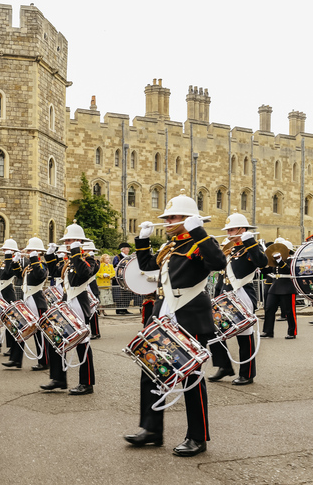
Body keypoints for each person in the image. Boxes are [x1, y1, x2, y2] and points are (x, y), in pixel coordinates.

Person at [124, 191, 226, 457]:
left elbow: (217, 262)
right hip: (165, 313)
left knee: (191, 378)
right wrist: (142, 240)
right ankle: (151, 429)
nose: (167, 221)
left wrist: (200, 233)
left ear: (189, 219)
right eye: (166, 217)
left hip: (190, 314)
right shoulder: (170, 246)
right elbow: (148, 266)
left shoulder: (200, 243)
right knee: (151, 372)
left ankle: (197, 436)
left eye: (173, 217)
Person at [208, 211, 266, 385]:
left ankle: (247, 374)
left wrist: (250, 241)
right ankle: (224, 366)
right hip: (225, 294)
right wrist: (217, 295)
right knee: (215, 332)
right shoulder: (230, 249)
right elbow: (222, 275)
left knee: (244, 335)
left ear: (242, 229)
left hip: (242, 294)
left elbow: (261, 262)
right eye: (227, 230)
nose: (228, 233)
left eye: (231, 230)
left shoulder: (251, 246)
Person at [42, 221, 96, 394]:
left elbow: (84, 273)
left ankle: (86, 383)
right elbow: (54, 272)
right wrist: (50, 256)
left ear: (79, 241)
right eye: (66, 240)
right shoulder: (69, 260)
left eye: (70, 240)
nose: (67, 243)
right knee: (56, 340)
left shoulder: (88, 260)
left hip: (79, 305)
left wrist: (75, 252)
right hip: (66, 303)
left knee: (83, 344)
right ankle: (58, 378)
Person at [3, 237, 48, 371]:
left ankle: (44, 361)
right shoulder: (29, 266)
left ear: (38, 252)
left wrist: (34, 258)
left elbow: (40, 275)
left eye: (31, 250)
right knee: (20, 330)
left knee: (40, 334)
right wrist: (15, 262)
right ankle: (16, 360)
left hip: (37, 302)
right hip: (27, 301)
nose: (28, 253)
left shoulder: (41, 265)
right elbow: (19, 275)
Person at [261, 238, 297, 339]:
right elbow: (267, 272)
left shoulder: (292, 260)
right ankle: (268, 331)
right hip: (275, 286)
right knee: (269, 309)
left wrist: (280, 261)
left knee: (289, 311)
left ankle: (292, 332)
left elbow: (288, 270)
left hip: (287, 287)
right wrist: (261, 264)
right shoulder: (276, 262)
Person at [0, 239, 22, 357]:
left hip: (8, 293)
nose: (5, 251)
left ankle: (12, 348)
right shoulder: (4, 261)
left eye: (7, 250)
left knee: (10, 322)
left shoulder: (14, 262)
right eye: (5, 250)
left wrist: (8, 257)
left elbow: (7, 273)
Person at [112, 242, 133, 314]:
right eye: (127, 248)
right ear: (123, 249)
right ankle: (119, 310)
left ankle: (125, 309)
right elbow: (115, 266)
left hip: (127, 279)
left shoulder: (129, 257)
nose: (128, 250)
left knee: (127, 295)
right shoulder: (117, 257)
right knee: (120, 295)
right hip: (120, 279)